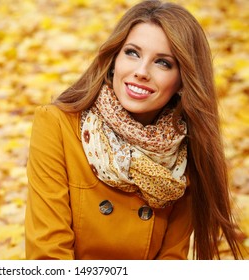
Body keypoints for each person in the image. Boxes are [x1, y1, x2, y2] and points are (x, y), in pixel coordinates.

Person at [25, 0, 243, 260]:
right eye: (132, 53)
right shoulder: (57, 124)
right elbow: (48, 256)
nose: (141, 72)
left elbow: (171, 261)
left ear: (183, 80)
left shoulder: (185, 150)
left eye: (163, 63)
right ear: (114, 59)